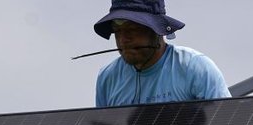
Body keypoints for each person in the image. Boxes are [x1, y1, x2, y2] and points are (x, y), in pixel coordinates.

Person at [94, 0, 230, 107]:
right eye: (117, 31)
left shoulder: (195, 68)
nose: (123, 39)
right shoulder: (107, 77)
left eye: (133, 29)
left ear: (157, 30)